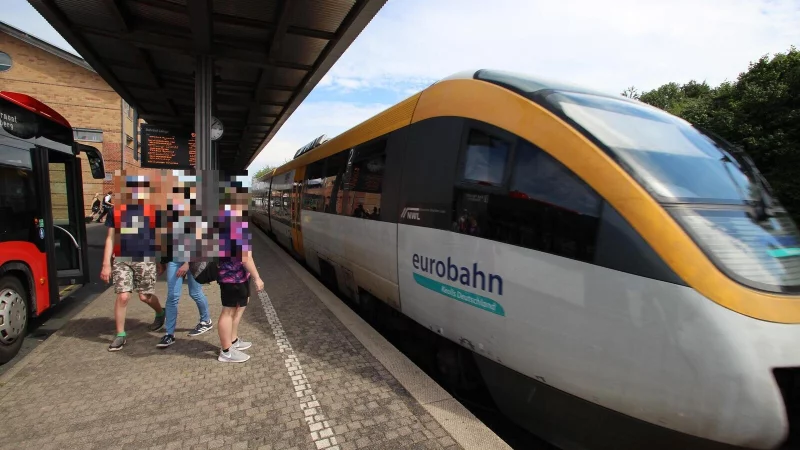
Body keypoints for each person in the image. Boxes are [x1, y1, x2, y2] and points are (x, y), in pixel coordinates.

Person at [99, 174, 164, 351]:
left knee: (145, 296)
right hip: (122, 259)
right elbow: (110, 238)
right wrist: (106, 263)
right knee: (123, 296)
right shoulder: (115, 211)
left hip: (145, 258)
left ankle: (160, 312)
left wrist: (159, 260)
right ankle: (120, 334)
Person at [156, 177, 212, 348]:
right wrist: (162, 262)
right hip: (174, 259)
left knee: (195, 293)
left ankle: (206, 320)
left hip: (193, 259)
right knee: (172, 296)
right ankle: (169, 334)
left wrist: (187, 263)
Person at [216, 188, 264, 363]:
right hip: (233, 277)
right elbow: (246, 258)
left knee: (238, 307)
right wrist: (258, 278)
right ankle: (226, 351)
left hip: (231, 276)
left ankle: (233, 340)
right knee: (228, 311)